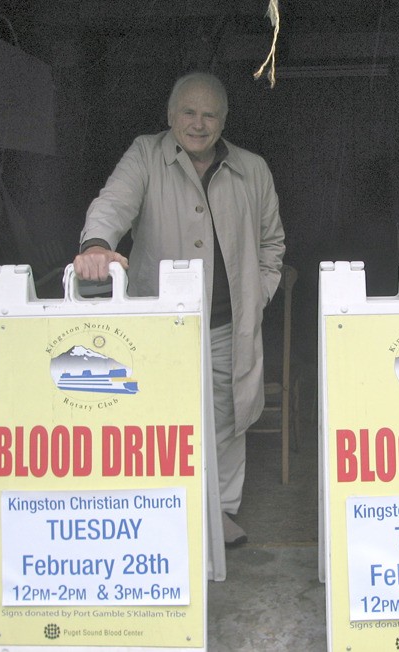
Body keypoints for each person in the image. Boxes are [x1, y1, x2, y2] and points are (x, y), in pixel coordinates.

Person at [73, 71, 285, 546]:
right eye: (188, 112)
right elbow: (113, 203)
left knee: (230, 418)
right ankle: (165, 513)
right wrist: (97, 245)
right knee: (161, 418)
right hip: (163, 323)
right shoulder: (146, 154)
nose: (198, 123)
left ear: (224, 120)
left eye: (210, 114)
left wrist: (259, 292)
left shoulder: (253, 169)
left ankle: (222, 513)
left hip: (231, 323)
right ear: (171, 116)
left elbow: (272, 244)